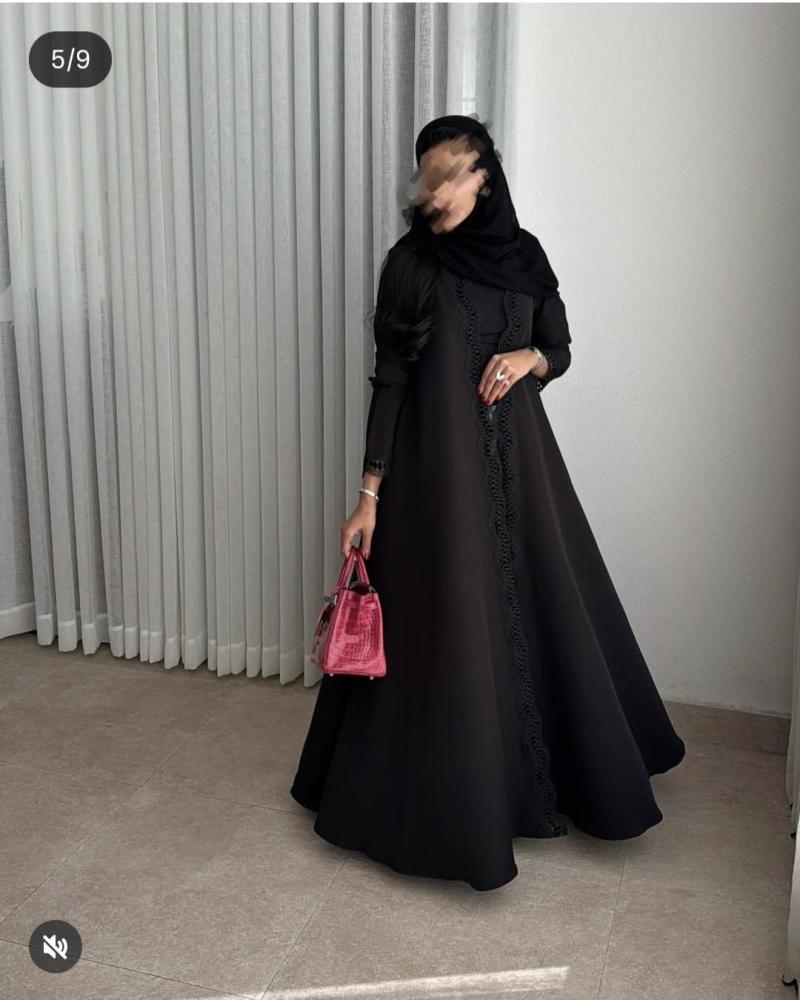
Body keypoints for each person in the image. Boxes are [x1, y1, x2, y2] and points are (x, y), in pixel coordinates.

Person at [290, 113, 685, 891]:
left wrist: (529, 356)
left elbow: (558, 348)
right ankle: (451, 803)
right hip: (434, 478)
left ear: (483, 177)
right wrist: (368, 495)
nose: (434, 190)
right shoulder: (410, 266)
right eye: (425, 175)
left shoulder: (524, 255)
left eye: (450, 173)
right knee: (450, 629)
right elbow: (391, 382)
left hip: (523, 471)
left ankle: (565, 775)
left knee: (545, 607)